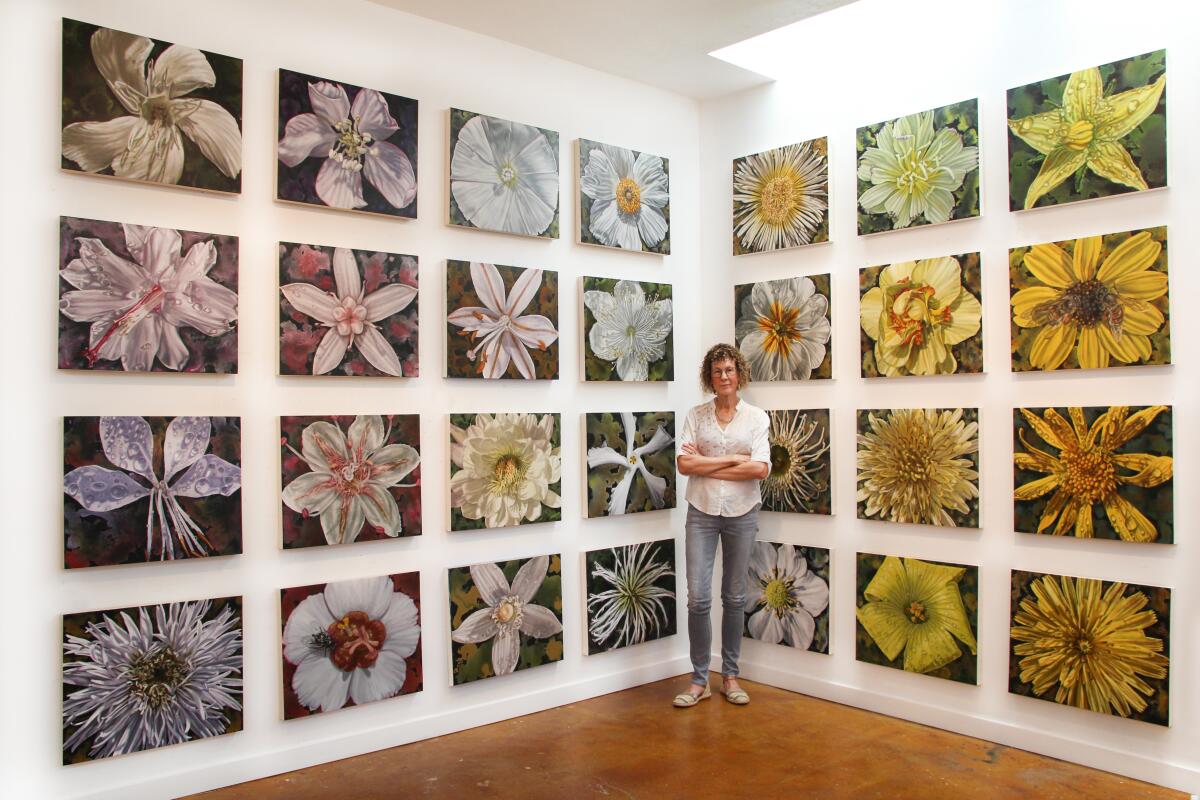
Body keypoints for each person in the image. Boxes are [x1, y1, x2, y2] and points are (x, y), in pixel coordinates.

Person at [673, 343, 769, 707]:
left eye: (729, 370)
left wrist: (707, 461)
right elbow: (684, 465)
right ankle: (700, 680)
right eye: (717, 372)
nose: (724, 377)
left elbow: (760, 468)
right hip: (701, 511)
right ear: (709, 379)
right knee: (698, 597)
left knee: (734, 597)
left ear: (738, 374)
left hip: (742, 512)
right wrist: (732, 458)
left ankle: (730, 675)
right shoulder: (695, 416)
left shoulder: (756, 418)